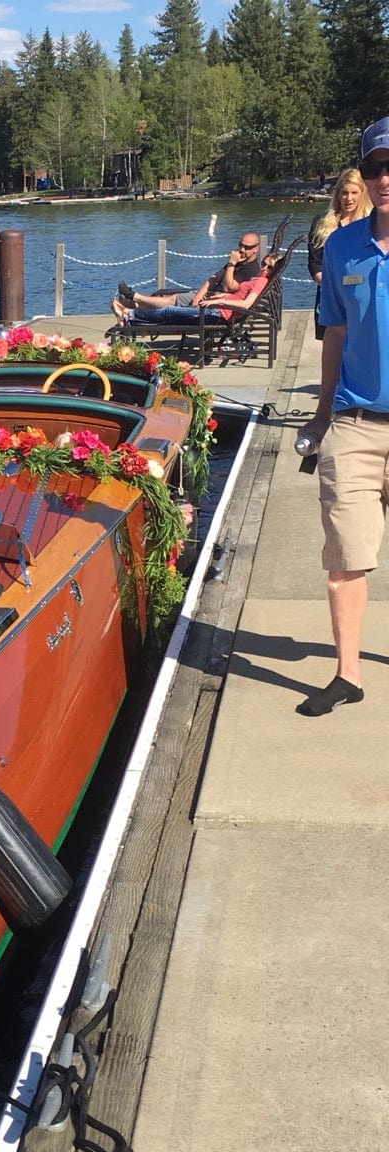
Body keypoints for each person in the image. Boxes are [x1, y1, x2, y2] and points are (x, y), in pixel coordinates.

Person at [295, 118, 389, 716]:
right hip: (356, 423)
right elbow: (333, 334)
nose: (386, 178)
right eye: (377, 166)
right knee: (345, 557)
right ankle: (347, 673)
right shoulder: (341, 247)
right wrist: (322, 413)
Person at [110, 251, 282, 329]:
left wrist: (218, 301)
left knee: (169, 311)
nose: (264, 267)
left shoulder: (261, 282)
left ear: (273, 271)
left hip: (220, 314)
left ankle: (128, 315)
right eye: (263, 263)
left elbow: (245, 304)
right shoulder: (258, 279)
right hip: (218, 309)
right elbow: (238, 294)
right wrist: (223, 296)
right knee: (171, 305)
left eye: (269, 267)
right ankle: (130, 310)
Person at [116, 233, 262, 310]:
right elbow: (213, 279)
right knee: (164, 294)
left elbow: (229, 287)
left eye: (247, 247)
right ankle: (134, 307)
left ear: (256, 248)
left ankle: (134, 297)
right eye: (241, 245)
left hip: (218, 302)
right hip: (208, 295)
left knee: (172, 300)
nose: (242, 249)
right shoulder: (239, 260)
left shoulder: (251, 270)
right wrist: (198, 295)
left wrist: (231, 263)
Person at [307, 169, 371, 339]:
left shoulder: (373, 223)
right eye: (344, 193)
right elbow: (315, 264)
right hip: (330, 297)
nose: (348, 198)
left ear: (363, 193)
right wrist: (336, 286)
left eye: (354, 193)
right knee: (334, 349)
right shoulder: (321, 223)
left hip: (364, 299)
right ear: (337, 194)